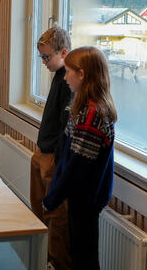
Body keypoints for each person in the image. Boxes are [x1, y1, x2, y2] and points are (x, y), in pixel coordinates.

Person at [43, 46, 117, 270]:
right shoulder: (84, 108)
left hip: (86, 199)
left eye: (68, 72)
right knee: (79, 254)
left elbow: (76, 166)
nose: (65, 78)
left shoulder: (93, 114)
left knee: (84, 259)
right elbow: (67, 153)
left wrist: (52, 198)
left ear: (82, 74)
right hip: (80, 197)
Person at [30, 26, 73, 270]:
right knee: (39, 214)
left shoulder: (70, 78)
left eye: (47, 57)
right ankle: (43, 258)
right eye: (42, 58)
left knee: (55, 219)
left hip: (53, 159)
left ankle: (55, 262)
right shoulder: (58, 74)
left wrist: (57, 159)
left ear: (64, 52)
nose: (44, 62)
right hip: (43, 152)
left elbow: (66, 126)